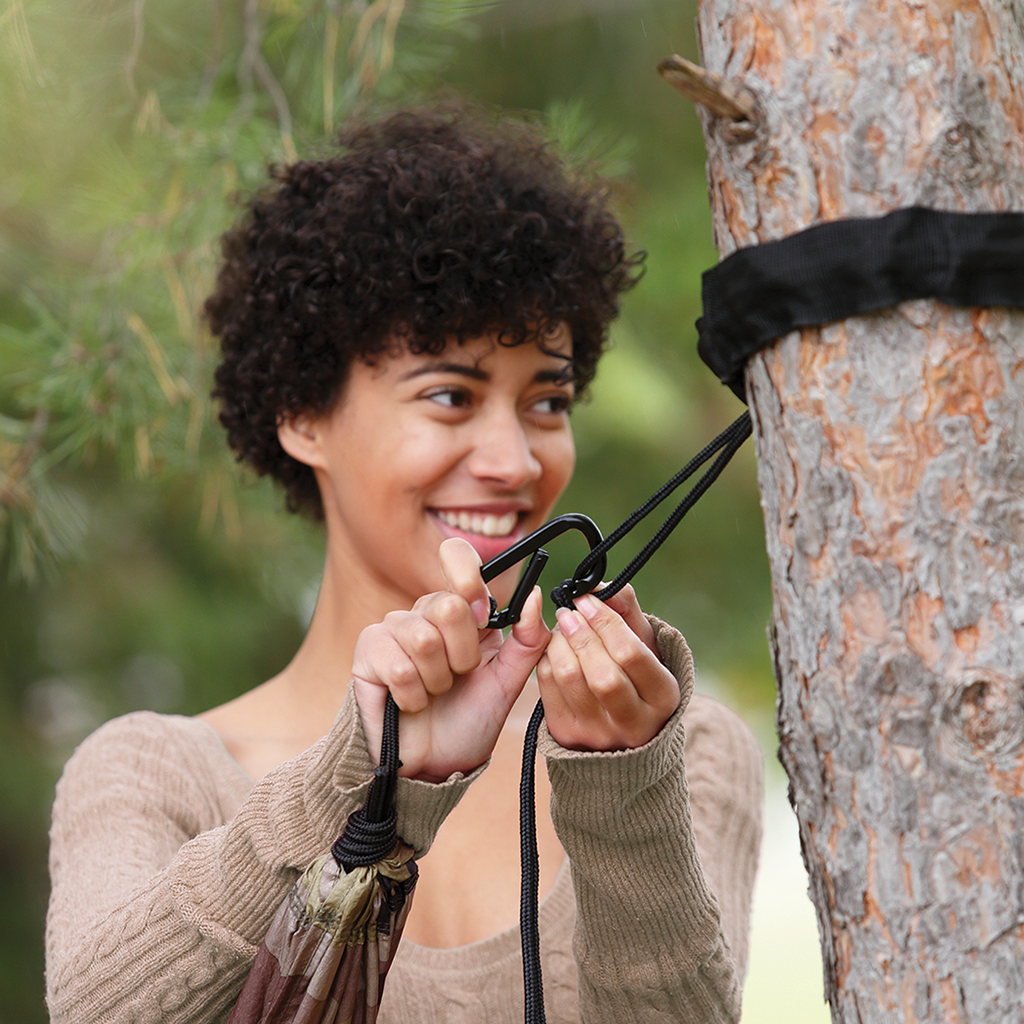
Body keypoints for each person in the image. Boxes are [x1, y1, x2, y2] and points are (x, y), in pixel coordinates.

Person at [45, 104, 763, 1023]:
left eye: (548, 400)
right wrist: (366, 781)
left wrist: (620, 784)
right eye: (451, 396)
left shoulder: (675, 749)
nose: (515, 459)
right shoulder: (155, 775)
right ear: (305, 416)